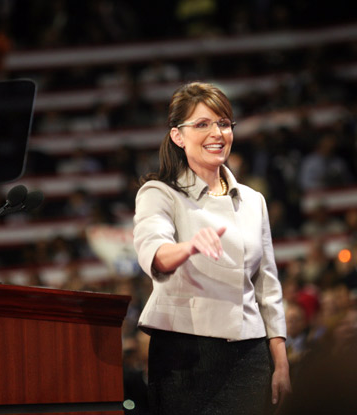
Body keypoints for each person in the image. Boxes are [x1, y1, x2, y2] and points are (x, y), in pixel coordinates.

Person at [133, 82, 291, 415]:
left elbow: (267, 285)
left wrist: (281, 362)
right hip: (184, 357)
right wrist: (188, 247)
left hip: (249, 356)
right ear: (178, 136)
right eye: (202, 124)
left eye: (223, 123)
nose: (217, 132)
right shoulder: (160, 193)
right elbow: (155, 253)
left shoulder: (253, 200)